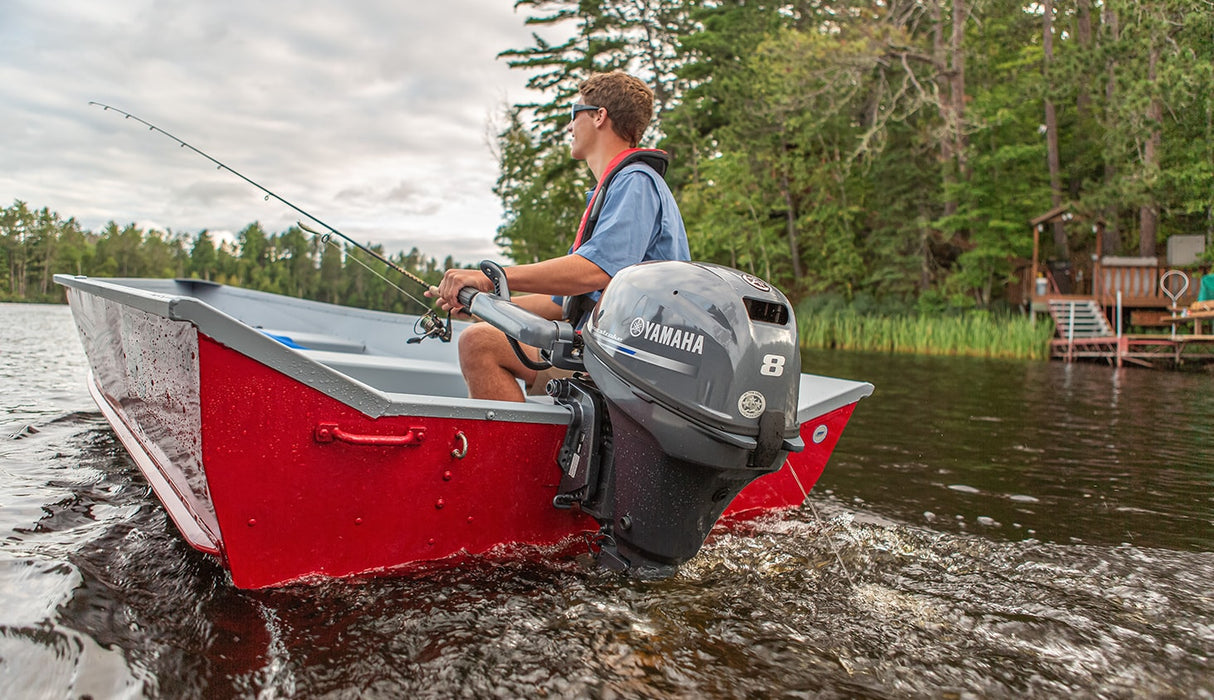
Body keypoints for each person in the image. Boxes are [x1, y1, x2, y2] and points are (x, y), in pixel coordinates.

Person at [429, 70, 689, 401]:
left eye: (574, 114)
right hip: (600, 351)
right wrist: (485, 306)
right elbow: (562, 305)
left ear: (598, 116)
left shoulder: (635, 182)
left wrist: (489, 278)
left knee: (479, 343)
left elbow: (596, 271)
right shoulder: (621, 187)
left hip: (623, 365)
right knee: (483, 331)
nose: (569, 127)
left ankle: (514, 455)